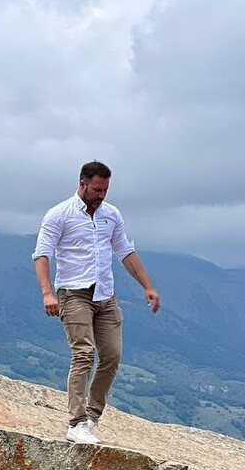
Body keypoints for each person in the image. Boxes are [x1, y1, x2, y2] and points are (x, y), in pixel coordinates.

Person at [32, 161, 160, 445]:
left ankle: (91, 418)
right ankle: (76, 423)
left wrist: (148, 286)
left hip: (105, 295)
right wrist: (47, 293)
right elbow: (42, 254)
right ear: (82, 184)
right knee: (83, 354)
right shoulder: (59, 214)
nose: (101, 195)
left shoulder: (111, 215)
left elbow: (125, 251)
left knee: (112, 356)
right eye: (97, 189)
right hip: (73, 293)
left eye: (105, 190)